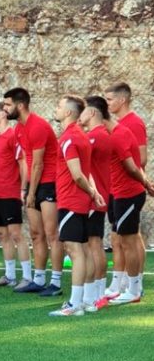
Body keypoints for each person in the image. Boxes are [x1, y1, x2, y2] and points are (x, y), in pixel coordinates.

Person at [3, 87, 62, 296]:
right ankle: (38, 279)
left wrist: (31, 192)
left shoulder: (38, 126)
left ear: (20, 105)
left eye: (8, 104)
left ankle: (56, 283)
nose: (4, 108)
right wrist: (25, 188)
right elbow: (27, 162)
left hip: (49, 183)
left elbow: (38, 164)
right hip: (34, 185)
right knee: (36, 234)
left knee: (52, 234)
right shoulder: (19, 128)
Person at [49, 96, 102, 316]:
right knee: (84, 249)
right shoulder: (81, 136)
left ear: (69, 112)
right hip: (79, 200)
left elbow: (78, 174)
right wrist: (94, 192)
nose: (56, 109)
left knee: (74, 250)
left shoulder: (69, 138)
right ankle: (88, 301)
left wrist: (92, 192)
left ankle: (75, 304)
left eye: (59, 106)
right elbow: (86, 172)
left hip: (71, 200)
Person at [99, 94, 154, 305]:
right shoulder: (116, 128)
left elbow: (137, 161)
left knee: (129, 240)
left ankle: (133, 288)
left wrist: (145, 182)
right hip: (117, 190)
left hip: (127, 191)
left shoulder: (131, 125)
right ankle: (123, 285)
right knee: (120, 239)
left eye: (110, 98)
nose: (107, 103)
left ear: (122, 99)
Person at [0, 102, 32, 288]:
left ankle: (27, 277)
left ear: (3, 114)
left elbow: (23, 163)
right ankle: (10, 275)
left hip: (10, 193)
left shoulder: (13, 135)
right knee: (1, 234)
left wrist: (23, 189)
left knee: (16, 234)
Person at [79, 96, 114, 309]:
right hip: (97, 196)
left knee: (93, 244)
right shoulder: (101, 134)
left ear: (91, 112)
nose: (79, 115)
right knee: (94, 243)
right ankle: (97, 293)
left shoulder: (95, 136)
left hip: (94, 198)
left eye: (83, 110)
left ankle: (96, 294)